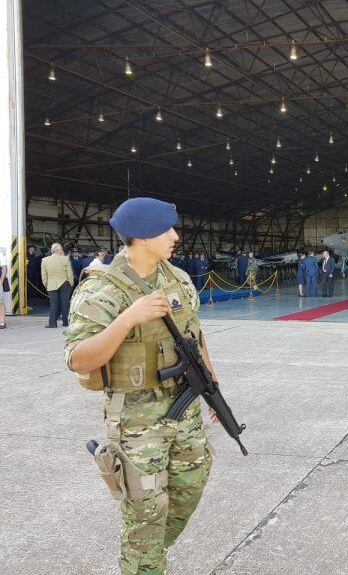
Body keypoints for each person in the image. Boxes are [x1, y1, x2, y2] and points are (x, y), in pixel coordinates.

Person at [64, 197, 216, 575]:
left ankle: (144, 556)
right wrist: (128, 318)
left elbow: (195, 336)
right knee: (146, 513)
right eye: (167, 230)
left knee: (190, 489)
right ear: (143, 235)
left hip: (185, 409)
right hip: (136, 421)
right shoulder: (103, 289)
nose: (175, 236)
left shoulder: (177, 279)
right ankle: (143, 562)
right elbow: (79, 359)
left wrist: (211, 385)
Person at [41, 242, 74, 329]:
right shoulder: (65, 259)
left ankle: (52, 323)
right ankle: (66, 322)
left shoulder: (45, 260)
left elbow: (44, 275)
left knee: (53, 304)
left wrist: (46, 284)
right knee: (65, 303)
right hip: (64, 283)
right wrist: (71, 283)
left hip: (51, 284)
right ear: (59, 250)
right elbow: (69, 273)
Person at [0, 246, 9, 328]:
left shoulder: (1, 255)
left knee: (0, 303)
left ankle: (2, 321)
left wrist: (0, 282)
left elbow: (4, 269)